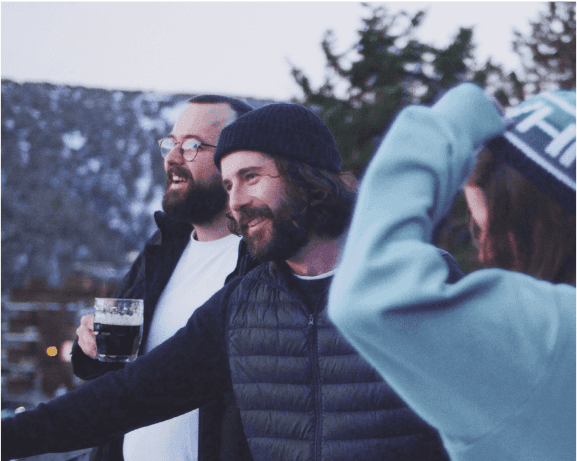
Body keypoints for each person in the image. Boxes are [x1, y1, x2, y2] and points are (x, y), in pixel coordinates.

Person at [2, 102, 464, 461]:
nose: (237, 202)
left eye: (252, 177)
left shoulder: (416, 276)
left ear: (308, 178)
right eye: (227, 185)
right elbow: (130, 396)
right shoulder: (244, 305)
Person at [328, 83, 576, 461]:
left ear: (527, 225)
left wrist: (443, 127)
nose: (482, 248)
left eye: (483, 224)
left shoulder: (549, 338)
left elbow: (370, 291)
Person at [72, 94, 259, 461]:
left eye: (192, 146)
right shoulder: (160, 251)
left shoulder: (260, 262)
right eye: (171, 144)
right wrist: (89, 345)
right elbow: (113, 375)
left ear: (237, 160)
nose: (173, 157)